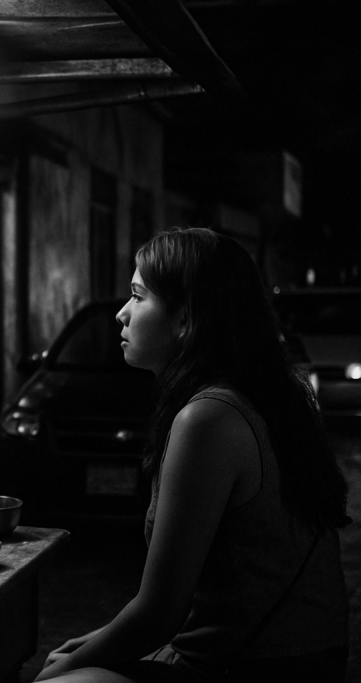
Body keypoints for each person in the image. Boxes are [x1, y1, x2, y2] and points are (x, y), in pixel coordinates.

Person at [36, 227, 349, 683]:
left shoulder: (208, 419)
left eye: (138, 296)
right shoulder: (266, 396)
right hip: (297, 659)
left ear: (185, 318)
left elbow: (159, 612)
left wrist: (60, 671)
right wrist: (97, 641)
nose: (122, 314)